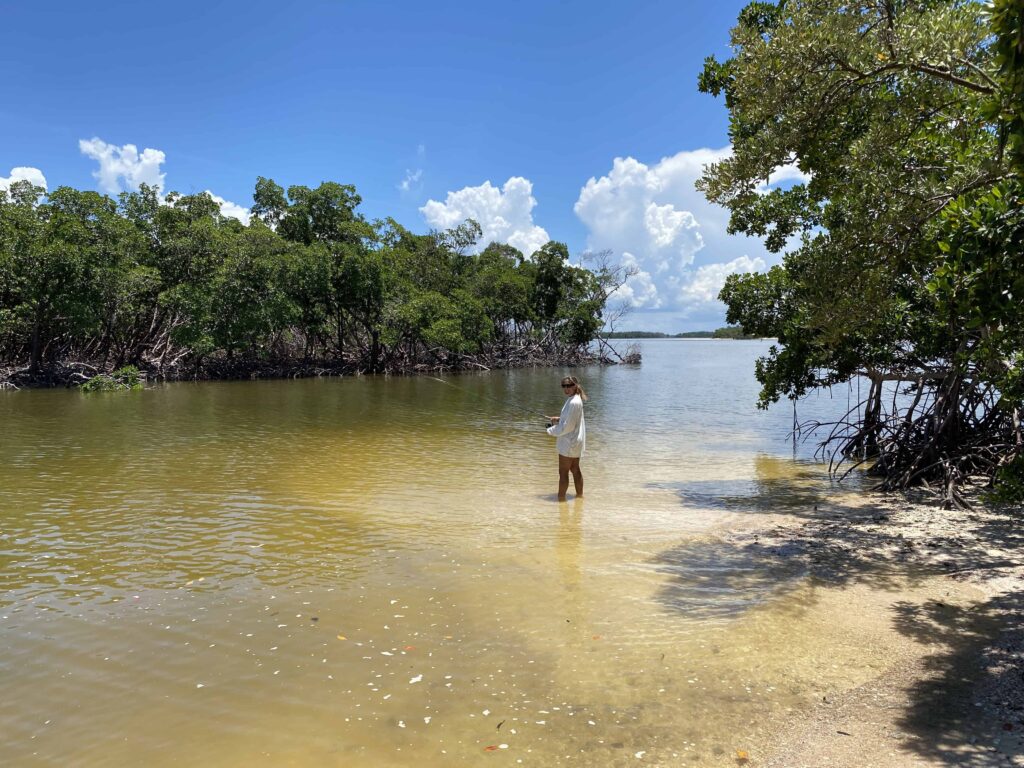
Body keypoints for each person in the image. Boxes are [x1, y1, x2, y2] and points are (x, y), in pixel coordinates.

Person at [546, 376, 586, 500]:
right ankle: (579, 497)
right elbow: (571, 420)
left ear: (575, 385)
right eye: (564, 386)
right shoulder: (575, 399)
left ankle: (561, 500)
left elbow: (567, 427)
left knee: (563, 473)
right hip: (576, 441)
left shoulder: (573, 402)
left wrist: (550, 430)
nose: (566, 389)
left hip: (569, 442)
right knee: (575, 469)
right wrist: (559, 419)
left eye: (569, 385)